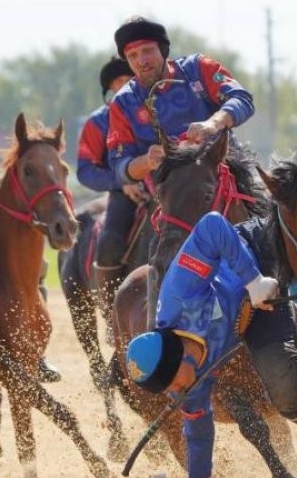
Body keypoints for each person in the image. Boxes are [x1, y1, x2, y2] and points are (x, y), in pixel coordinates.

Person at [125, 211, 297, 478]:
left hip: (255, 256)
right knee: (284, 381)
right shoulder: (189, 385)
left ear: (180, 356)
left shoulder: (180, 291)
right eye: (169, 390)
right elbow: (198, 429)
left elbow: (212, 224)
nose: (175, 393)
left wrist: (253, 280)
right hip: (253, 312)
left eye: (173, 384)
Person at [103, 16, 254, 301]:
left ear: (163, 49)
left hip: (228, 183)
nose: (141, 61)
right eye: (132, 56)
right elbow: (120, 167)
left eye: (147, 51)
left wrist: (213, 123)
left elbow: (242, 99)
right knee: (153, 273)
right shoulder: (123, 103)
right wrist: (146, 161)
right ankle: (152, 337)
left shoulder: (198, 69)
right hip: (169, 201)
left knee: (279, 234)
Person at [76, 55, 140, 337]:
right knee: (110, 241)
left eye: (131, 81)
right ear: (110, 89)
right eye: (120, 83)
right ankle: (113, 317)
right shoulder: (96, 123)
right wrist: (121, 182)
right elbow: (85, 170)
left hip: (164, 188)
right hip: (123, 195)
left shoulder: (156, 111)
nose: (126, 87)